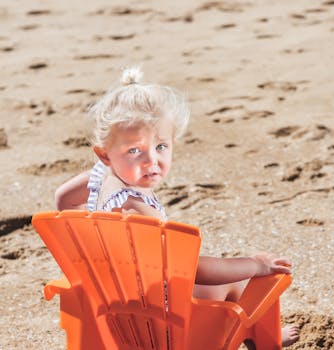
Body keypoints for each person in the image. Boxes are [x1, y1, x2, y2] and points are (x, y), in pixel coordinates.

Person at [55, 66, 299, 347]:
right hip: (163, 315)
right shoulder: (139, 212)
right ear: (105, 154)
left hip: (116, 299)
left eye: (161, 146)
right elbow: (192, 270)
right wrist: (254, 265)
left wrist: (94, 239)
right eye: (134, 151)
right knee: (240, 285)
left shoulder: (98, 177)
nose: (152, 161)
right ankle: (265, 337)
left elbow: (63, 200)